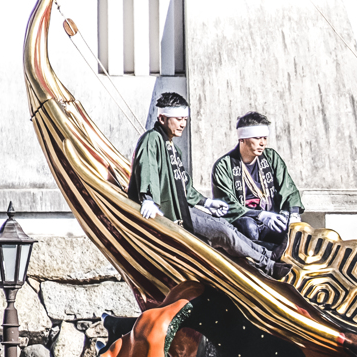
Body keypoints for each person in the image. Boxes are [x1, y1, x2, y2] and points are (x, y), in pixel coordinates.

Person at [126, 92, 286, 279]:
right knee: (223, 232)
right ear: (162, 118)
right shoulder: (152, 139)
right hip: (169, 215)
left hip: (183, 209)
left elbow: (184, 185)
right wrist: (148, 199)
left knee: (225, 226)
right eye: (178, 119)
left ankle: (268, 255)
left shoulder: (173, 148)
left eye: (185, 119)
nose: (183, 124)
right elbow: (148, 169)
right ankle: (268, 264)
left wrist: (206, 203)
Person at [211, 111, 303, 246]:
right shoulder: (224, 165)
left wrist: (293, 214)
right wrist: (260, 215)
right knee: (249, 227)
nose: (262, 143)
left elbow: (287, 188)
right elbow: (227, 204)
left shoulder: (271, 158)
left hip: (272, 217)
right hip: (244, 221)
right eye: (257, 138)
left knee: (292, 232)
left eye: (264, 138)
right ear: (242, 139)